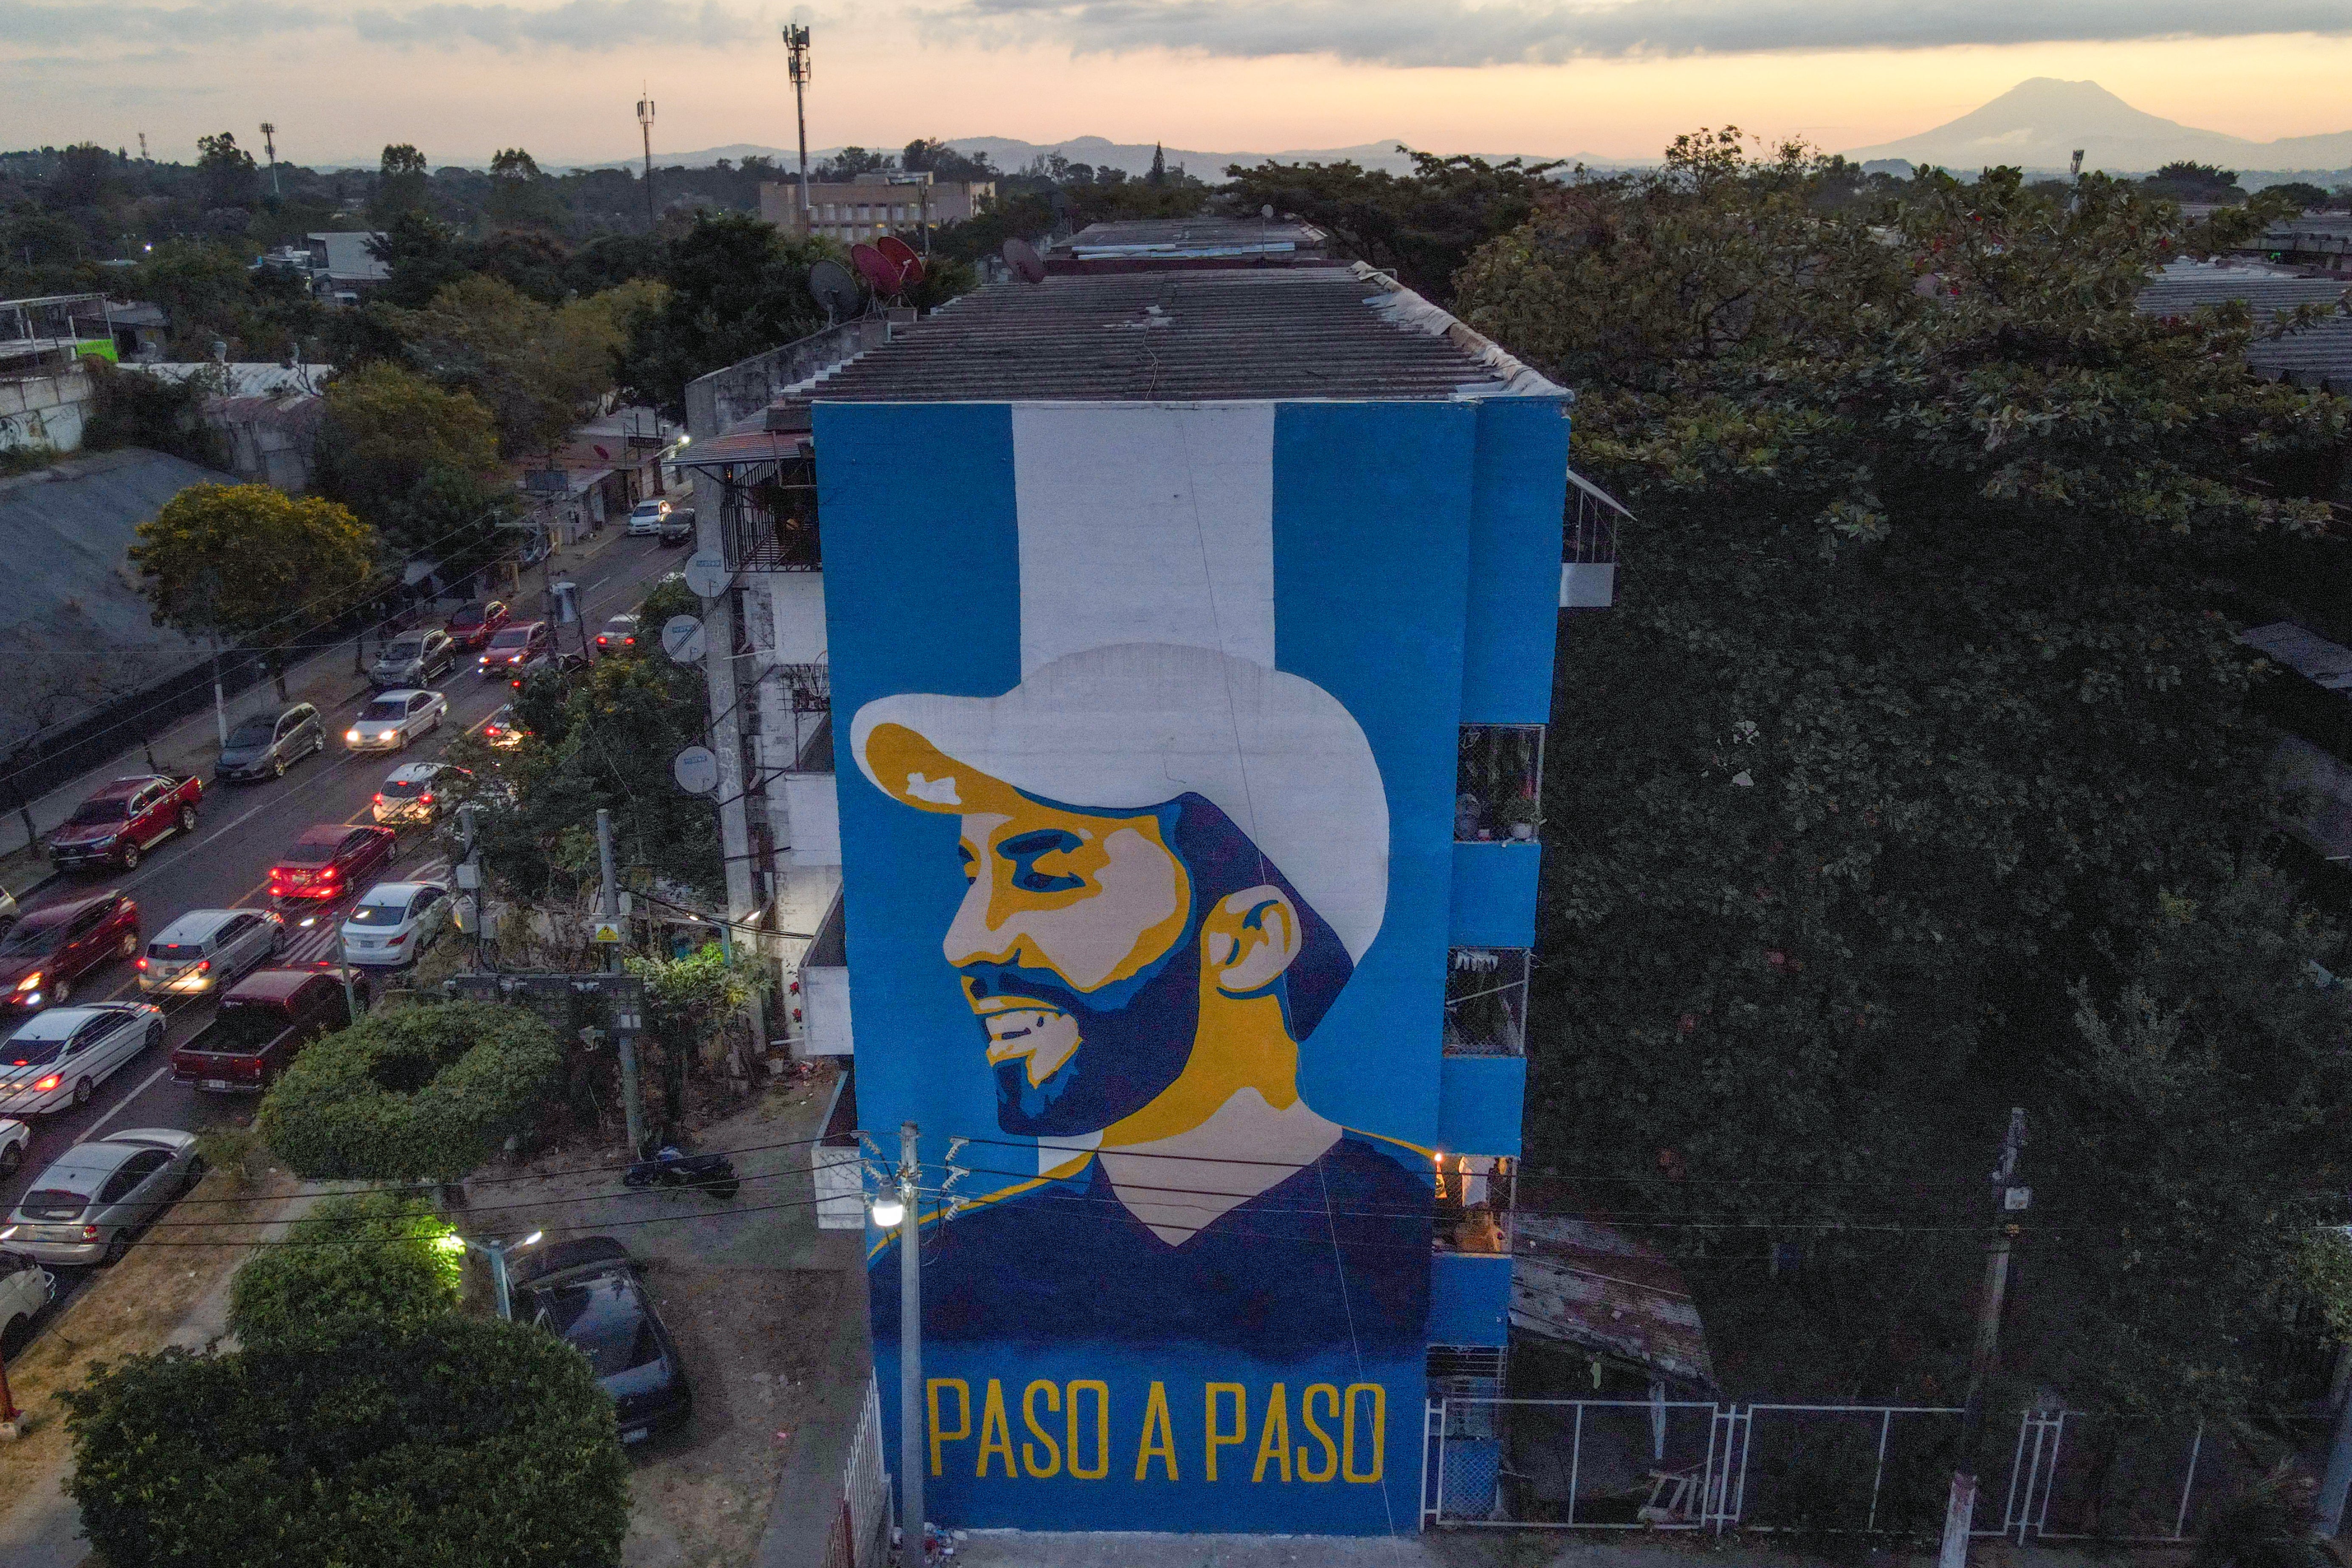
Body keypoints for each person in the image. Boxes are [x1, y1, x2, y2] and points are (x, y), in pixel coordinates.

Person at [854, 643, 1431, 1363]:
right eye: (974, 877)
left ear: (1249, 942)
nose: (965, 942)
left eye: (1048, 875)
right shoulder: (944, 1282)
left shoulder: (1411, 1248)